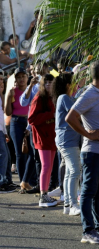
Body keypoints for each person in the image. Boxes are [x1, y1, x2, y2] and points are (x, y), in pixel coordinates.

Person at [66, 61, 99, 244]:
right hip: (92, 152)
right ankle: (88, 230)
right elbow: (70, 117)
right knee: (88, 191)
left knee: (97, 192)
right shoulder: (90, 94)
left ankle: (97, 228)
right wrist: (88, 134)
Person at [52, 73, 81, 216]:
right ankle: (72, 204)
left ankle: (68, 205)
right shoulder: (64, 97)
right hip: (67, 140)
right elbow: (76, 114)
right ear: (68, 85)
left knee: (70, 172)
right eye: (74, 82)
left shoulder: (65, 98)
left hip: (67, 140)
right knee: (75, 171)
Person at [28, 75, 58, 207]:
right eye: (46, 82)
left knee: (49, 166)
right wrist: (51, 115)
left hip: (51, 136)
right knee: (45, 166)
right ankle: (43, 195)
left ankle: (45, 194)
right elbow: (32, 119)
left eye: (51, 82)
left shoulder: (54, 97)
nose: (48, 85)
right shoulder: (39, 97)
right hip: (42, 136)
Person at [5, 68, 34, 191]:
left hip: (31, 122)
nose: (21, 79)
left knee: (32, 153)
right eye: (19, 77)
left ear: (27, 78)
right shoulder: (13, 91)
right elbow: (8, 112)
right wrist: (8, 97)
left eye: (23, 76)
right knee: (20, 154)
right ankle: (23, 182)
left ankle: (30, 180)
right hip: (16, 122)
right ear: (15, 79)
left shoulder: (33, 90)